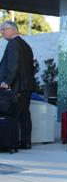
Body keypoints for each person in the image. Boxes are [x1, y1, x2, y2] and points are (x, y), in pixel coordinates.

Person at [0, 20, 37, 150]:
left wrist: (6, 82)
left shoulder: (13, 44)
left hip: (17, 87)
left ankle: (12, 143)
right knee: (24, 114)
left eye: (4, 29)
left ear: (14, 30)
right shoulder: (25, 44)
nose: (2, 31)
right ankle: (26, 142)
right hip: (26, 86)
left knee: (13, 115)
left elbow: (13, 65)